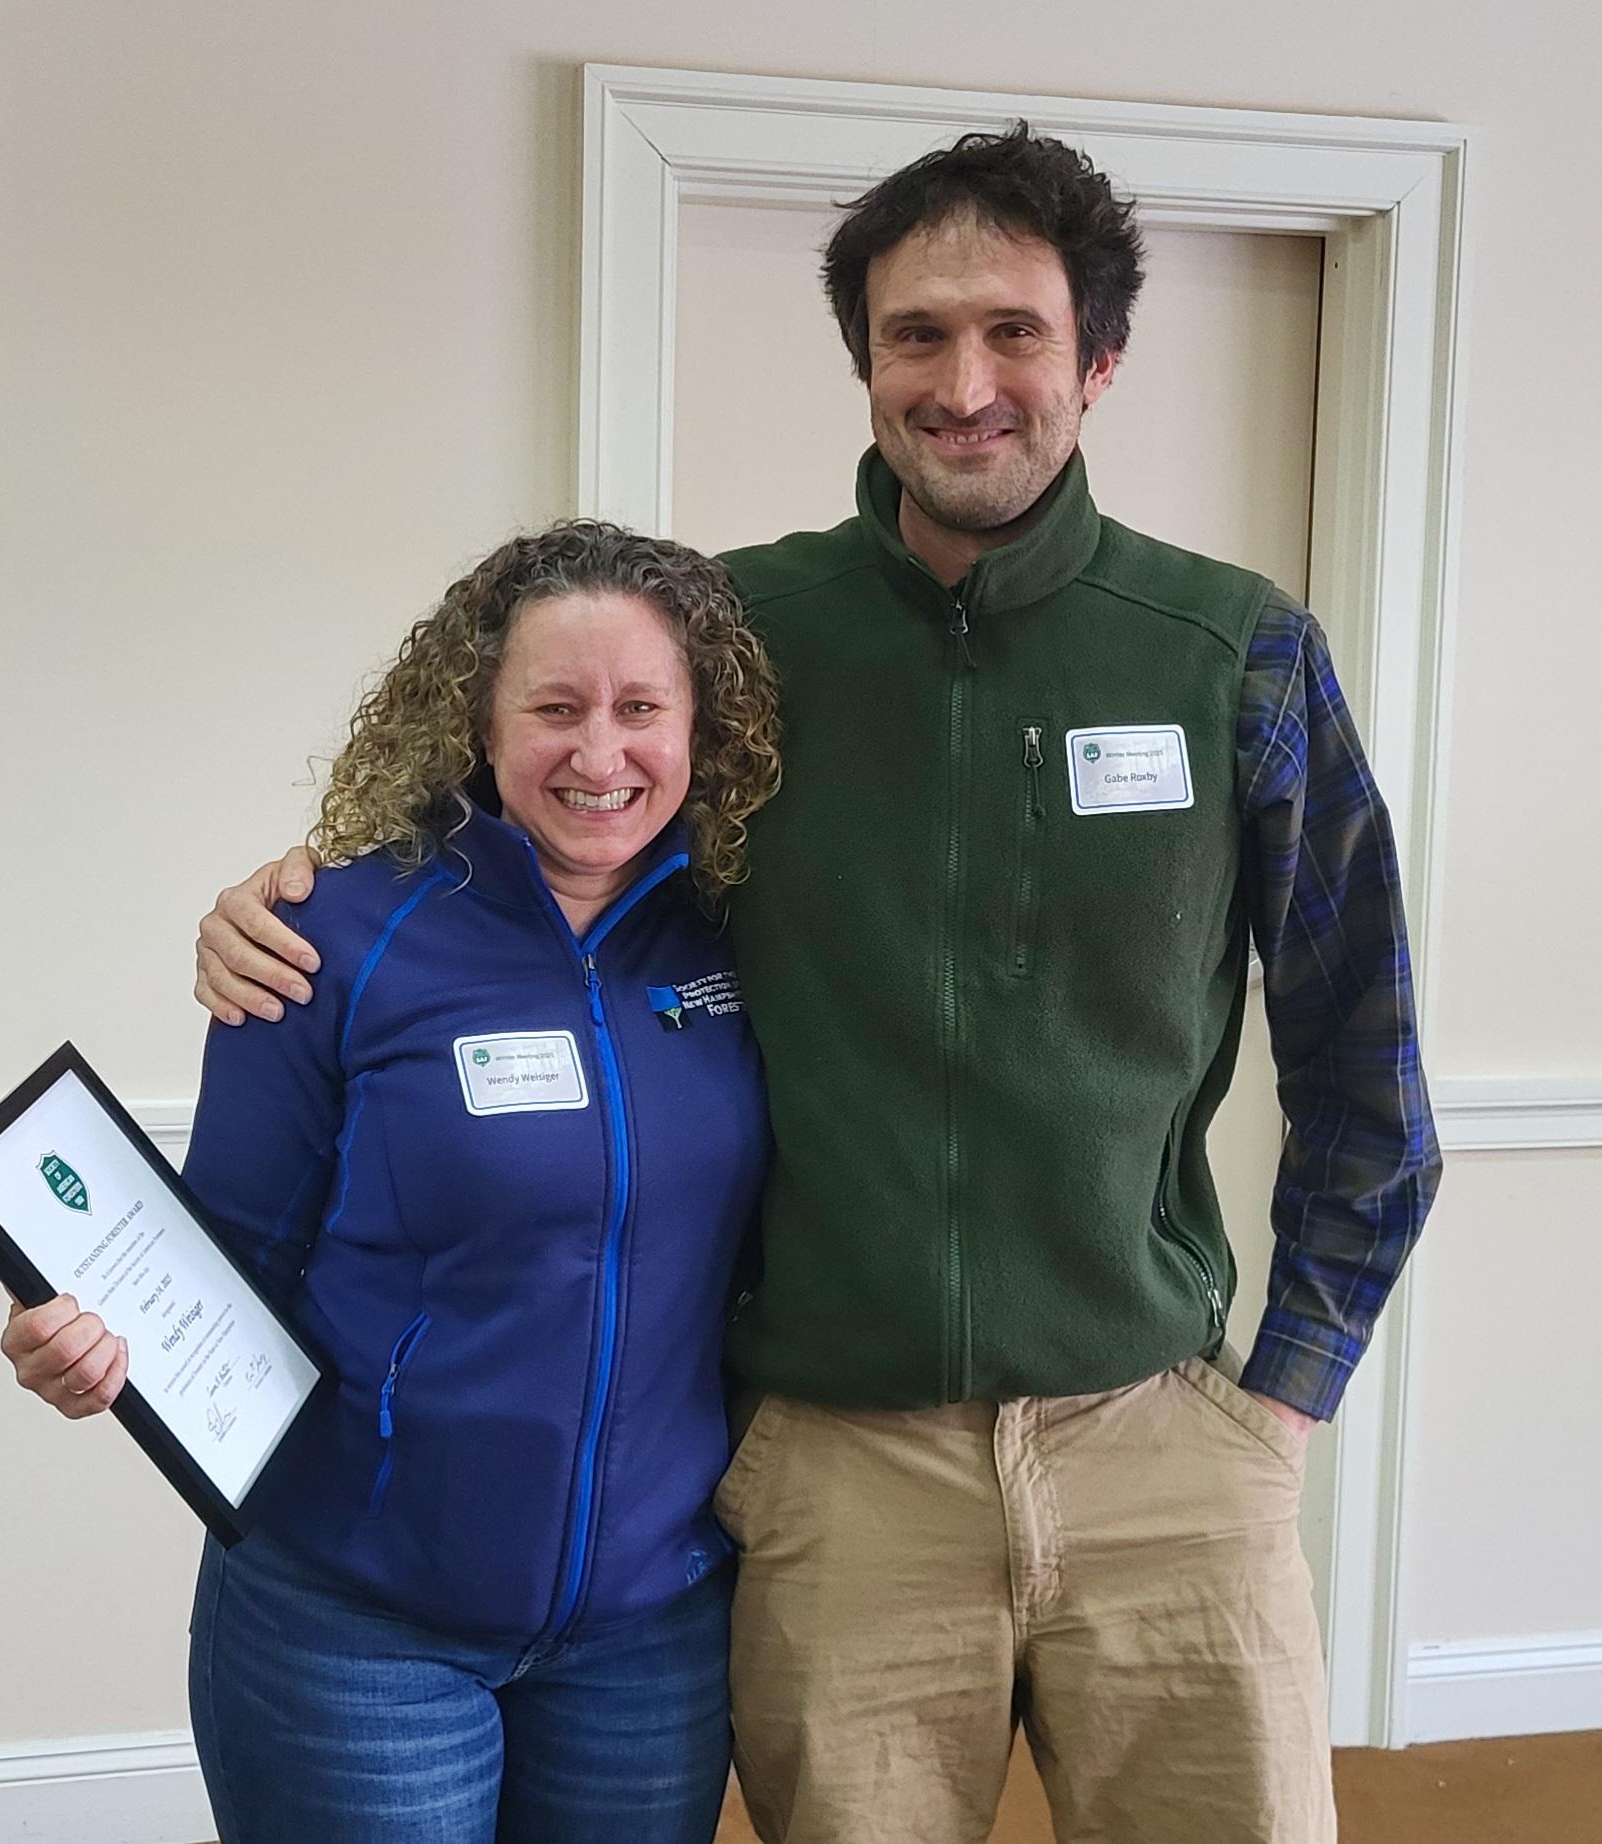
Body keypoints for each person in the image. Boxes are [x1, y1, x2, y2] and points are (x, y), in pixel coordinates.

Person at [193, 126, 1441, 1844]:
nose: (966, 381)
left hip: (1163, 1445)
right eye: (918, 334)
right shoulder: (734, 639)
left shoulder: (1235, 653)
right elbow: (514, 817)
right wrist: (275, 895)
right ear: (864, 358)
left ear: (1101, 357)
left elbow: (1369, 1063)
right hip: (838, 1471)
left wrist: (1284, 1399)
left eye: (1014, 331)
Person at [0, 522, 782, 1844]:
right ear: (477, 714)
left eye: (643, 709)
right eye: (555, 708)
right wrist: (75, 1330)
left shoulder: (750, 933)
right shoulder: (326, 938)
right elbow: (221, 1259)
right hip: (354, 1631)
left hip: (651, 1639)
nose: (601, 754)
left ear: (702, 725)